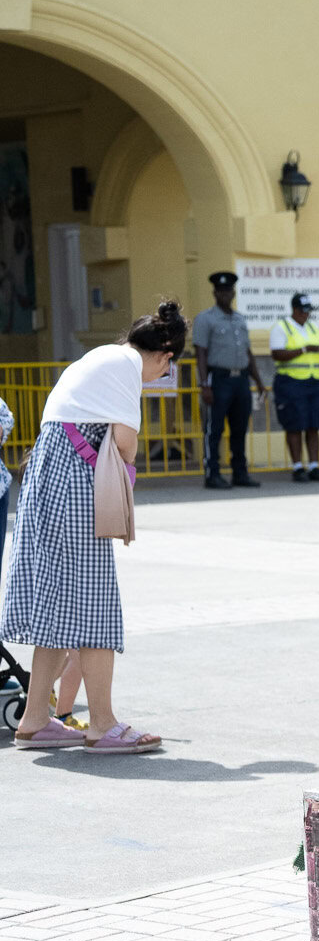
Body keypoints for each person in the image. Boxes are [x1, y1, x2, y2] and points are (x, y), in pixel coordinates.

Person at [1, 301, 183, 754]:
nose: (162, 375)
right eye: (167, 367)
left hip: (48, 479)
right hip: (73, 488)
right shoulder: (126, 368)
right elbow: (125, 444)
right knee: (94, 601)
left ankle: (35, 720)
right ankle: (103, 723)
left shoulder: (100, 356)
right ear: (164, 355)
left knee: (59, 604)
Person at [190, 270, 265, 490]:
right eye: (221, 291)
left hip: (241, 379)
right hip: (219, 378)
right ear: (215, 293)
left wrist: (259, 381)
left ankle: (240, 472)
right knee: (214, 429)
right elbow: (201, 353)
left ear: (233, 293)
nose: (225, 294)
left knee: (239, 428)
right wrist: (204, 384)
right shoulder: (206, 319)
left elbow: (248, 352)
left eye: (229, 290)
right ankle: (212, 473)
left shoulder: (240, 319)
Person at [270, 291, 319, 482]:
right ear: (295, 310)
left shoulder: (312, 327)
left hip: (315, 382)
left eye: (308, 311)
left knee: (314, 425)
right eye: (303, 311)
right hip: (291, 382)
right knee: (295, 425)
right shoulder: (282, 327)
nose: (306, 314)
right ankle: (297, 467)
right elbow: (277, 354)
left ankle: (314, 466)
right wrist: (305, 349)